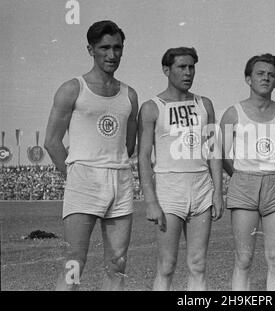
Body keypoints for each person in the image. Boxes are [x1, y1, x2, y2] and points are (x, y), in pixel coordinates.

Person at [44, 20, 138, 290]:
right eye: (104, 48)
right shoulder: (73, 89)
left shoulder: (129, 95)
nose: (112, 55)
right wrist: (75, 175)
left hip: (119, 180)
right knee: (74, 261)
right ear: (90, 49)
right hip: (83, 178)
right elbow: (52, 141)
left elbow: (127, 145)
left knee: (118, 263)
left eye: (117, 48)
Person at [138, 47, 224, 291]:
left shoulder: (204, 104)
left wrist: (218, 192)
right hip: (169, 189)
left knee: (198, 264)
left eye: (192, 67)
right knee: (167, 265)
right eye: (181, 67)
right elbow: (143, 157)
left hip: (201, 188)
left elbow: (213, 151)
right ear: (166, 70)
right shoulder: (152, 107)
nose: (188, 72)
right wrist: (150, 201)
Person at [220, 53, 275, 290]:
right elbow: (220, 154)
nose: (266, 78)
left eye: (272, 75)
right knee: (244, 259)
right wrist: (241, 175)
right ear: (248, 78)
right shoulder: (233, 112)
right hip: (244, 185)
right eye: (260, 74)